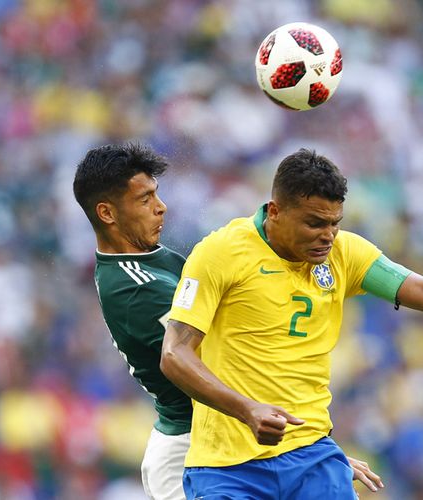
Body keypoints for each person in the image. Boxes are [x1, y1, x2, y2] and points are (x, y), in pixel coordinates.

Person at [161, 148, 423, 499]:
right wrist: (247, 409)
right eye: (314, 223)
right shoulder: (220, 252)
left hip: (311, 458)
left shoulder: (345, 253)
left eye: (335, 223)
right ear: (275, 211)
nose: (328, 236)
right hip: (226, 465)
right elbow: (175, 354)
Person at [72, 143, 384, 500]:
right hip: (198, 447)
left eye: (156, 194)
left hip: (234, 443)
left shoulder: (152, 261)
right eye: (144, 200)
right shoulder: (135, 288)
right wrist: (316, 451)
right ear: (107, 214)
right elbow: (226, 368)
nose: (161, 207)